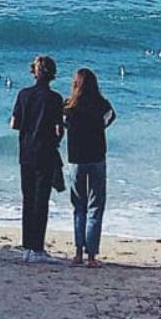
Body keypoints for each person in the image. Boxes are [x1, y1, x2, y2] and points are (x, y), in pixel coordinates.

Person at [9, 54, 65, 262]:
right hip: (46, 152)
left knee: (27, 198)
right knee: (42, 200)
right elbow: (59, 130)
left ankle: (26, 247)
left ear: (34, 72)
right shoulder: (55, 98)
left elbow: (14, 123)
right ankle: (38, 248)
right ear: (52, 75)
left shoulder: (23, 94)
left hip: (26, 152)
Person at [63, 67, 116, 267]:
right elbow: (111, 117)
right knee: (96, 205)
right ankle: (91, 255)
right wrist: (100, 127)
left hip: (76, 158)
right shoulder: (101, 104)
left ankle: (78, 252)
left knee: (79, 205)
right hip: (96, 156)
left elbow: (63, 123)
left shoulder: (68, 105)